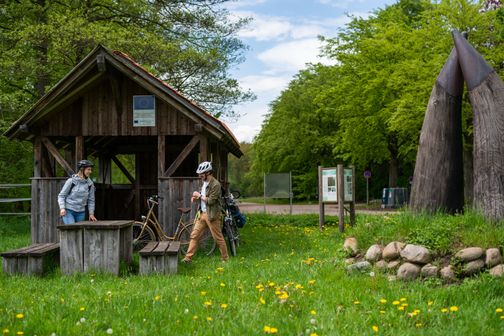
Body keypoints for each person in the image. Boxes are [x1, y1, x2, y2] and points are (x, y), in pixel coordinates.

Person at [183, 161, 229, 263]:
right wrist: (196, 198)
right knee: (194, 235)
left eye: (201, 174)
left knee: (218, 238)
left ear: (208, 173)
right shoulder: (204, 183)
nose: (199, 175)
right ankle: (187, 258)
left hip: (212, 215)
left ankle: (225, 259)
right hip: (202, 214)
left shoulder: (216, 184)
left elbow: (211, 201)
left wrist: (199, 196)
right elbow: (203, 197)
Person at [58, 159, 97, 224]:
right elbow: (61, 196)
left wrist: (91, 213)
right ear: (82, 169)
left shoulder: (90, 184)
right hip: (69, 211)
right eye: (88, 169)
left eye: (90, 169)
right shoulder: (71, 181)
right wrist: (62, 208)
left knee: (79, 233)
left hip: (81, 212)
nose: (90, 171)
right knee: (72, 230)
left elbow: (91, 200)